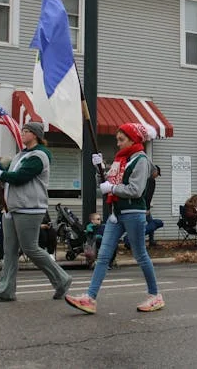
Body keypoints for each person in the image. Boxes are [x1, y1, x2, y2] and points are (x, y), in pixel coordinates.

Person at [66, 122, 164, 315]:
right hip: (116, 214)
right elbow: (106, 184)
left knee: (140, 255)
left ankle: (155, 295)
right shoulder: (122, 161)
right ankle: (90, 298)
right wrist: (99, 169)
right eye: (117, 139)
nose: (118, 143)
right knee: (103, 256)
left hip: (134, 213)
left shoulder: (141, 160)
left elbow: (135, 190)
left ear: (133, 139)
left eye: (121, 139)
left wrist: (111, 188)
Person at [0, 122, 72, 302]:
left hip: (29, 208)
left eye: (26, 131)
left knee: (30, 248)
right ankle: (6, 290)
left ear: (36, 135)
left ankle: (62, 279)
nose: (22, 134)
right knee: (10, 250)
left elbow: (20, 178)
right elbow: (8, 173)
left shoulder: (39, 156)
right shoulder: (21, 155)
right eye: (22, 131)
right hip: (12, 207)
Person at [144, 165, 161, 247]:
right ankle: (151, 241)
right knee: (151, 223)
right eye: (157, 173)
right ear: (154, 171)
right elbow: (148, 195)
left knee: (149, 222)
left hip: (141, 205)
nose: (157, 176)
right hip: (144, 207)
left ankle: (151, 240)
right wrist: (147, 208)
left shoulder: (145, 179)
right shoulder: (151, 180)